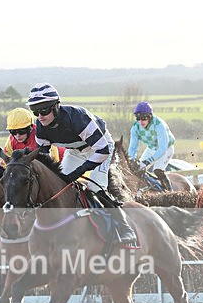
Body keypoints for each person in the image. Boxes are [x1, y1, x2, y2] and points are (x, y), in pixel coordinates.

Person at [27, 83, 136, 246]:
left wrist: (78, 172)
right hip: (74, 151)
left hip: (100, 148)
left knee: (96, 188)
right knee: (60, 186)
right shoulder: (41, 129)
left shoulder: (78, 118)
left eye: (44, 110)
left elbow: (103, 150)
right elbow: (45, 161)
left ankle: (124, 227)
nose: (40, 116)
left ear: (56, 106)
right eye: (36, 111)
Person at [127, 101, 175, 191]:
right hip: (151, 148)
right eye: (138, 118)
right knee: (137, 169)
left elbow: (162, 148)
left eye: (144, 118)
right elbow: (133, 148)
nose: (141, 121)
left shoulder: (159, 125)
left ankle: (170, 192)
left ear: (150, 116)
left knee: (157, 170)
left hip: (166, 149)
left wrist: (148, 161)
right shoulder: (135, 128)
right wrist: (131, 160)